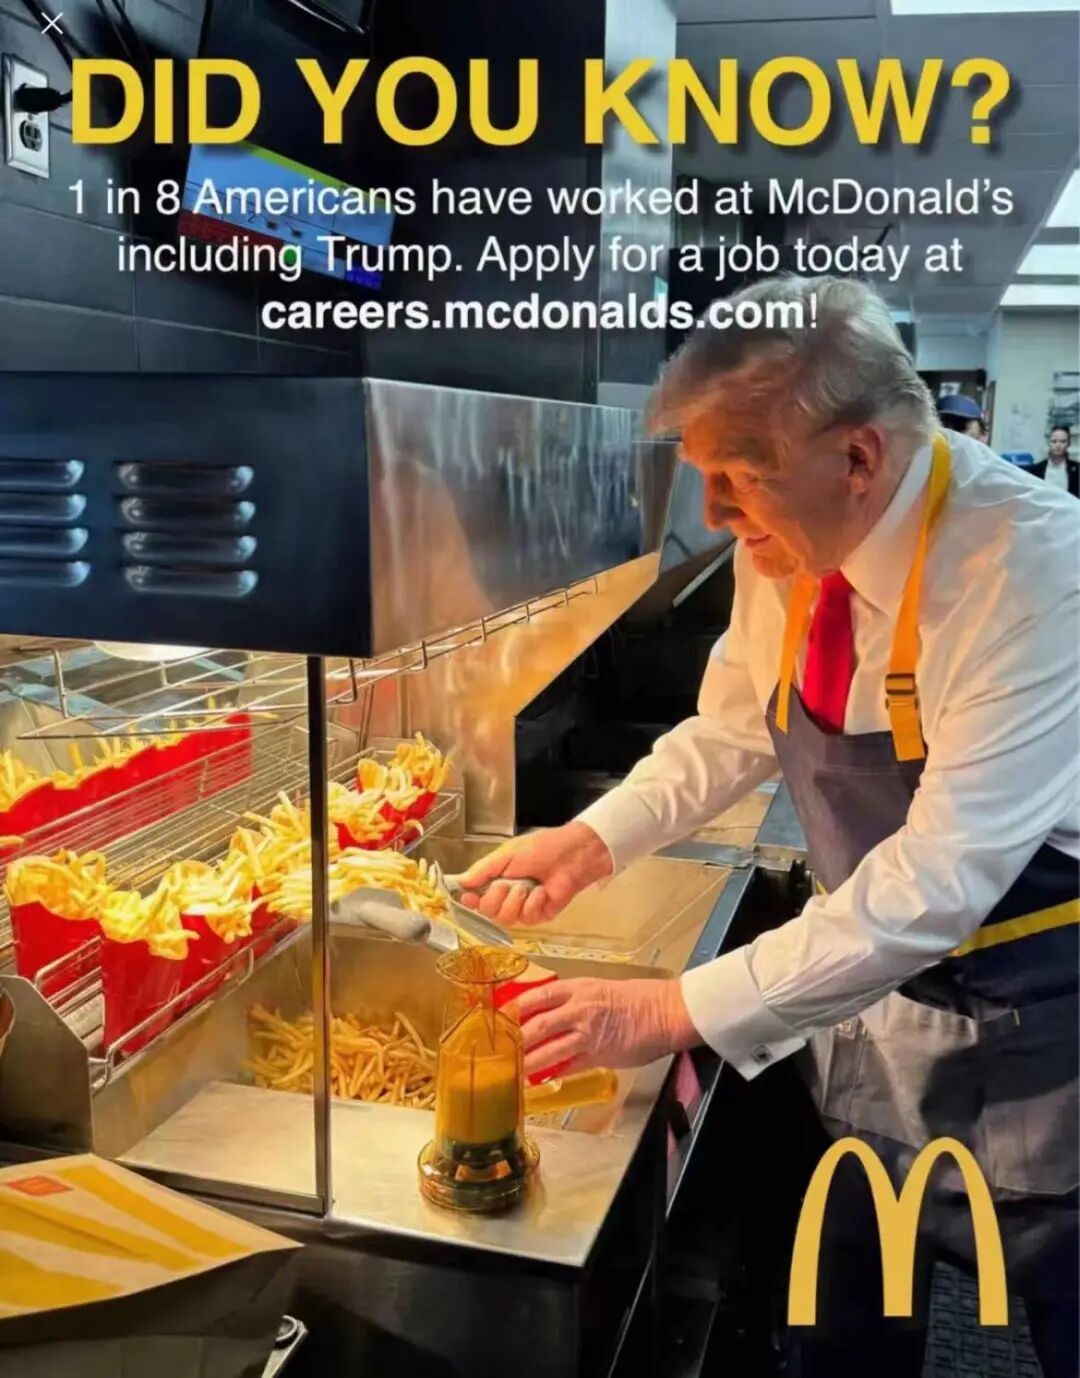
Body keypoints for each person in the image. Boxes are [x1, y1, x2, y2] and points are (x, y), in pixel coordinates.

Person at [459, 277, 1080, 1378]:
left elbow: (937, 882)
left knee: (1058, 1287)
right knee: (849, 1311)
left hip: (1035, 1016)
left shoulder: (1030, 573)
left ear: (859, 457)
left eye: (739, 477)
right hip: (868, 1000)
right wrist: (592, 841)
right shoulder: (786, 546)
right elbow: (733, 727)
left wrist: (669, 1007)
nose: (714, 515)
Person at [1033, 424, 1079, 497]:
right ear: (1048, 443)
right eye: (1054, 441)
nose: (1058, 445)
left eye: (1063, 441)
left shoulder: (1077, 469)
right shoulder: (1036, 470)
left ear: (1068, 444)